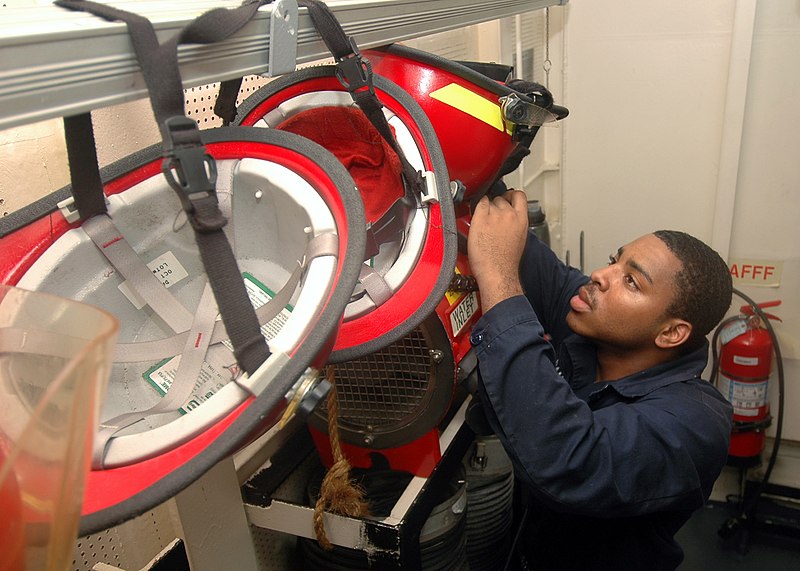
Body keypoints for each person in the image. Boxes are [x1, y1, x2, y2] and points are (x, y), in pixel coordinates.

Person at [466, 189, 734, 570]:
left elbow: (568, 457)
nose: (600, 276)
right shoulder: (593, 324)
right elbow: (512, 234)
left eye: (631, 282)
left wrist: (498, 277)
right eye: (614, 260)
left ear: (671, 333)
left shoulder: (695, 424)